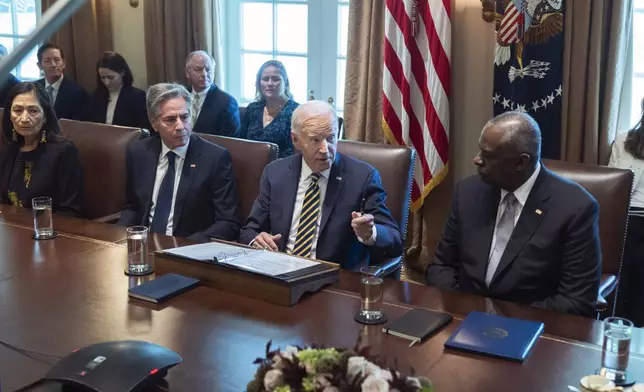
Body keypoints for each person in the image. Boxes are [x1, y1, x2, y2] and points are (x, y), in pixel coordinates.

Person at [426, 111, 601, 317]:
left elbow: (576, 301)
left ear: (521, 162)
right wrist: (466, 312)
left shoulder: (575, 208)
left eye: (488, 155)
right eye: (479, 151)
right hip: (464, 318)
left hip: (532, 329)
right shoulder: (467, 192)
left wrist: (502, 321)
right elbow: (442, 266)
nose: (477, 160)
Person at [239, 101, 402, 270]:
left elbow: (395, 240)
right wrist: (257, 239)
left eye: (331, 138)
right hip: (280, 272)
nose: (325, 149)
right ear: (296, 140)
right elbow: (249, 231)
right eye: (315, 140)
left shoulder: (363, 177)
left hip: (335, 279)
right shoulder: (275, 173)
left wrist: (370, 233)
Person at [117, 83, 241, 242]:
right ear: (154, 123)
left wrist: (185, 246)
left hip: (189, 249)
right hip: (145, 244)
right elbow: (133, 207)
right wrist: (117, 237)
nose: (180, 126)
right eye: (170, 120)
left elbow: (228, 222)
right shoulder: (138, 152)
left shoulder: (215, 158)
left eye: (184, 117)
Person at [0, 82, 83, 216]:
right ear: (9, 115)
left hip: (50, 231)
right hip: (13, 231)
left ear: (45, 116)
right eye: (18, 110)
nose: (25, 118)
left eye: (33, 111)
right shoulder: (8, 149)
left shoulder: (63, 151)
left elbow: (70, 210)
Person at [608, 97, 644, 326]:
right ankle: (619, 324)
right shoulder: (624, 141)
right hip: (629, 215)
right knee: (629, 247)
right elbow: (613, 184)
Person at [239, 60, 299, 158]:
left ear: (286, 82)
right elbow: (241, 144)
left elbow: (294, 153)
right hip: (249, 166)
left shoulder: (296, 112)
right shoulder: (252, 109)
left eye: (275, 79)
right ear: (259, 83)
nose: (270, 83)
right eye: (265, 79)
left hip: (282, 169)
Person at [81, 51, 150, 130]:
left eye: (110, 77)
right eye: (103, 78)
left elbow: (144, 129)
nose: (106, 82)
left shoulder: (138, 97)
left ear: (122, 73)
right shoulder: (94, 97)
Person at [185, 51, 240, 137]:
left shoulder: (227, 102)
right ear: (188, 73)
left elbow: (231, 142)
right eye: (198, 69)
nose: (204, 74)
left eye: (208, 69)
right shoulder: (180, 95)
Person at [36, 43, 87, 120]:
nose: (53, 65)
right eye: (47, 61)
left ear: (63, 63)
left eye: (57, 60)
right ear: (40, 65)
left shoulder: (77, 93)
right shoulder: (33, 88)